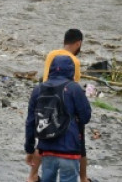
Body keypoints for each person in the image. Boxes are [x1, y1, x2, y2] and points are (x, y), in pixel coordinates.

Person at [28, 29, 87, 182]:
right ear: (78, 43)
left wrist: (28, 147)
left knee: (43, 141)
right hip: (66, 105)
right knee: (78, 141)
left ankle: (32, 176)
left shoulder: (51, 54)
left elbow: (46, 77)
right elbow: (83, 111)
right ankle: (84, 177)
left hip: (46, 102)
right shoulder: (74, 61)